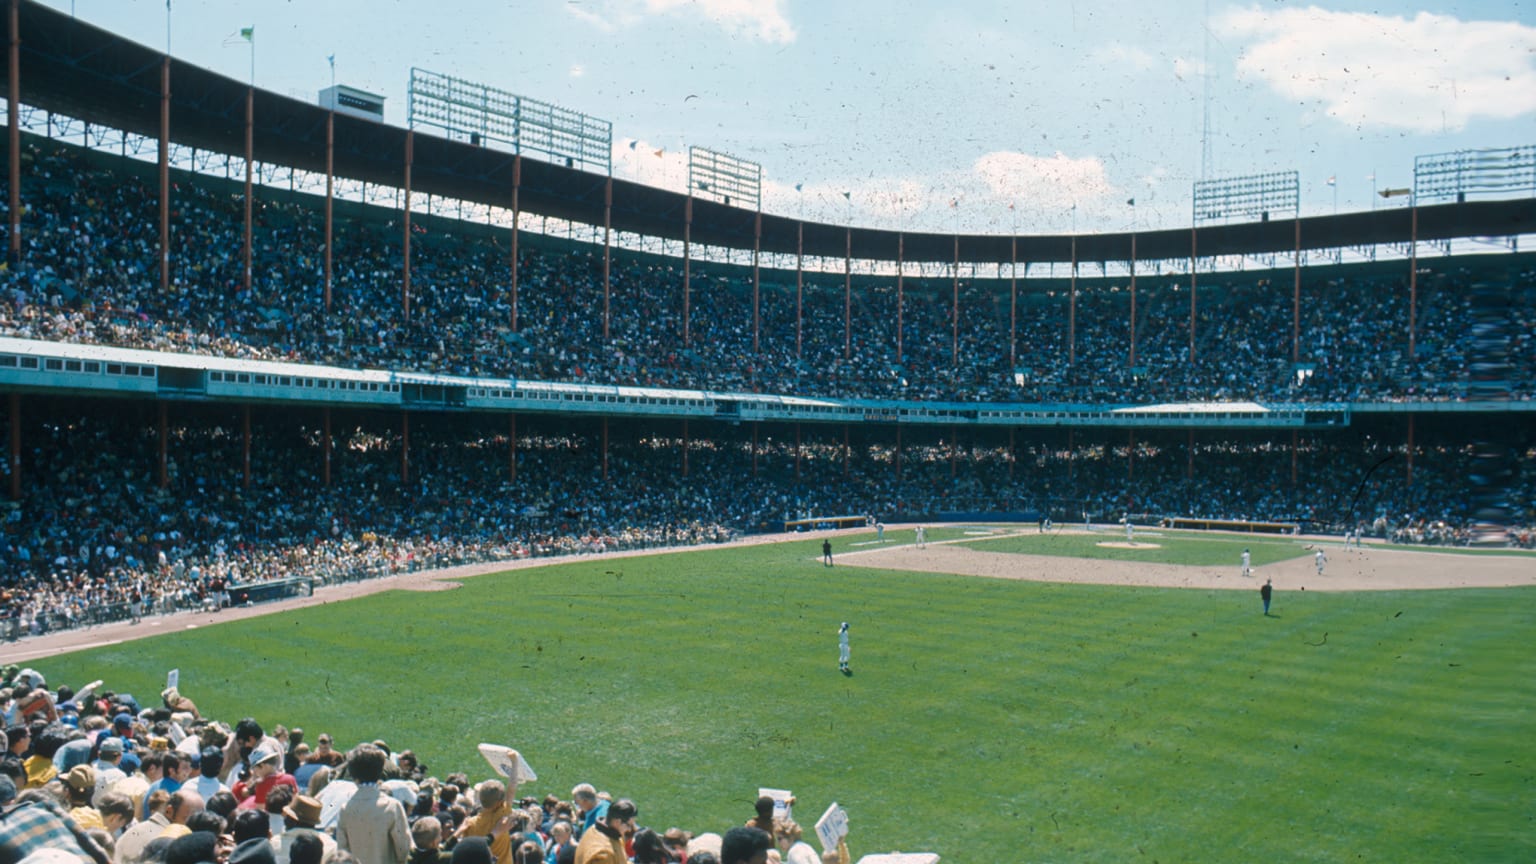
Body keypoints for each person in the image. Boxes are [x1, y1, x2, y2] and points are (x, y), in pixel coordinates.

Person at [336, 744, 410, 864]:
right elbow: (403, 849)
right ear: (380, 770)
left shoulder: (346, 809)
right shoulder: (392, 806)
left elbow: (342, 851)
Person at [572, 797, 634, 864]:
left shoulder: (594, 829)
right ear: (617, 822)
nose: (629, 830)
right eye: (629, 825)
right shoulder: (604, 854)